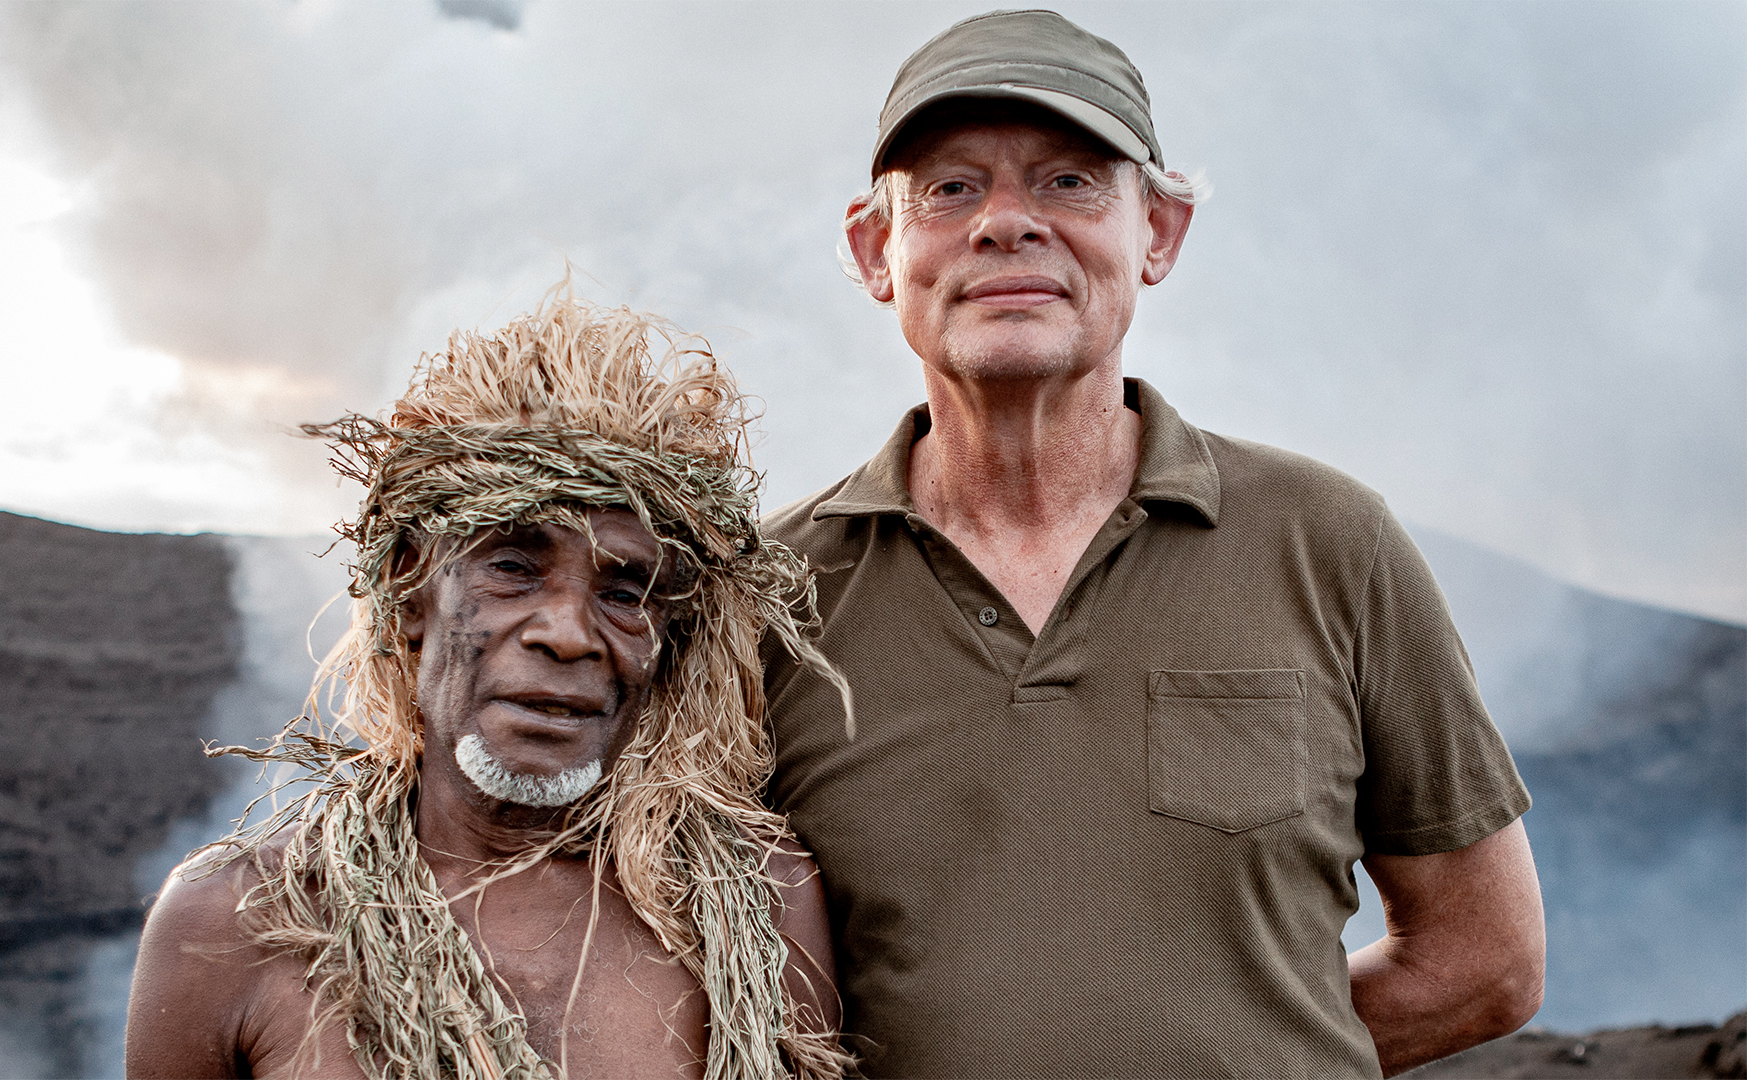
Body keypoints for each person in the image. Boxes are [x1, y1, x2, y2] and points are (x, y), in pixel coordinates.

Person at [760, 10, 1545, 1078]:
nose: (1005, 223)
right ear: (875, 250)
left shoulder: (1328, 544)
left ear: (1160, 233)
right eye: (949, 188)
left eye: (1069, 181)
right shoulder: (769, 600)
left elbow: (1485, 962)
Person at [126, 293, 854, 1080]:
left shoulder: (757, 902)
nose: (569, 633)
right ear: (411, 592)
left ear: (667, 638)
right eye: (513, 567)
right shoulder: (234, 924)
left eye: (624, 591)